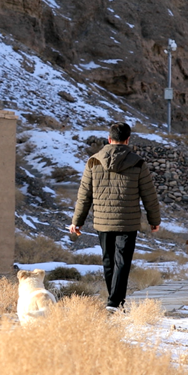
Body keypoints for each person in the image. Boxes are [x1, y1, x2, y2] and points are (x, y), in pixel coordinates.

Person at [69, 122, 161, 312]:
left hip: (102, 222)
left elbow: (84, 195)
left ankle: (114, 301)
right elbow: (149, 195)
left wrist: (77, 221)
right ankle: (115, 303)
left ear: (109, 139)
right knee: (122, 262)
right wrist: (154, 221)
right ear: (127, 140)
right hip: (128, 222)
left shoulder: (93, 161)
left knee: (108, 261)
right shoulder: (137, 162)